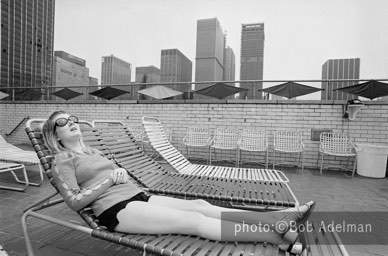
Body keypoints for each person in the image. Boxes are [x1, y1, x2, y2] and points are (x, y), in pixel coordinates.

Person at [42, 110, 316, 255]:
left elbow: (114, 177)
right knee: (194, 222)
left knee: (200, 204)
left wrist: (121, 175)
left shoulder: (93, 152)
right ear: (55, 135)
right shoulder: (62, 161)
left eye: (72, 118)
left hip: (138, 196)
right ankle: (277, 234)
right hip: (117, 210)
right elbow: (74, 200)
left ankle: (278, 218)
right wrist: (109, 181)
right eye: (62, 122)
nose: (71, 122)